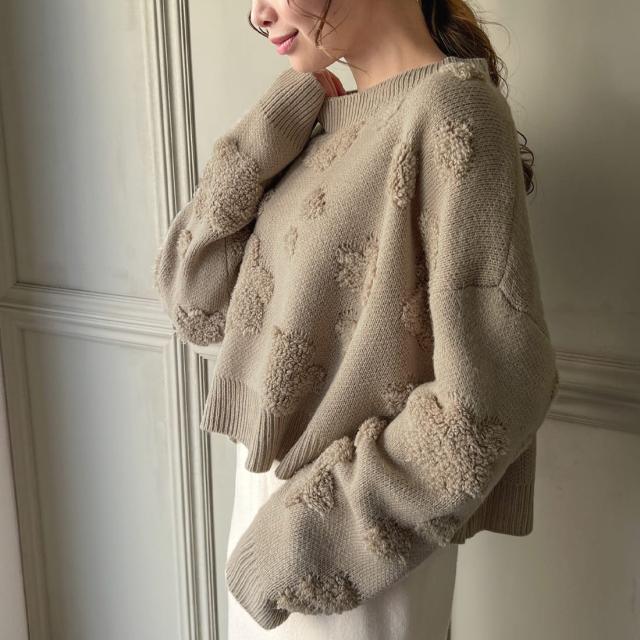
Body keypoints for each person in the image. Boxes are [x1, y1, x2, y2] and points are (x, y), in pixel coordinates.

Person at [153, 0, 559, 637]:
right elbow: (192, 299)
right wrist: (271, 125)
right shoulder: (318, 121)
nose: (258, 14)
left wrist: (294, 543)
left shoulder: (451, 111)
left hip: (346, 556)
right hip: (272, 521)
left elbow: (491, 397)